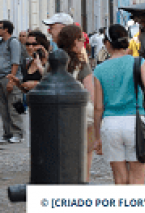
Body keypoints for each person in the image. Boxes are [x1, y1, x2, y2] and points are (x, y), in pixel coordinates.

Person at [93, 25, 145, 185]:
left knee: (120, 178)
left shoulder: (100, 70)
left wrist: (96, 136)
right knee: (137, 178)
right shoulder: (139, 63)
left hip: (111, 124)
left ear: (107, 43)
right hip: (136, 122)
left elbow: (98, 107)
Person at [56, 24, 95, 182]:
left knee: (63, 155)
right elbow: (90, 92)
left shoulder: (53, 63)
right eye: (80, 39)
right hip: (82, 117)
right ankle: (82, 185)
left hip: (59, 117)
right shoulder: (81, 65)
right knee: (86, 154)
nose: (83, 43)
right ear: (73, 41)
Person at [0, 20, 25, 143]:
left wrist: (11, 80)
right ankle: (7, 133)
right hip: (1, 78)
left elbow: (15, 62)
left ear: (6, 29)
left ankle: (17, 133)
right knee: (3, 108)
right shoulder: (1, 43)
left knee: (13, 107)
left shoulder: (13, 43)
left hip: (10, 78)